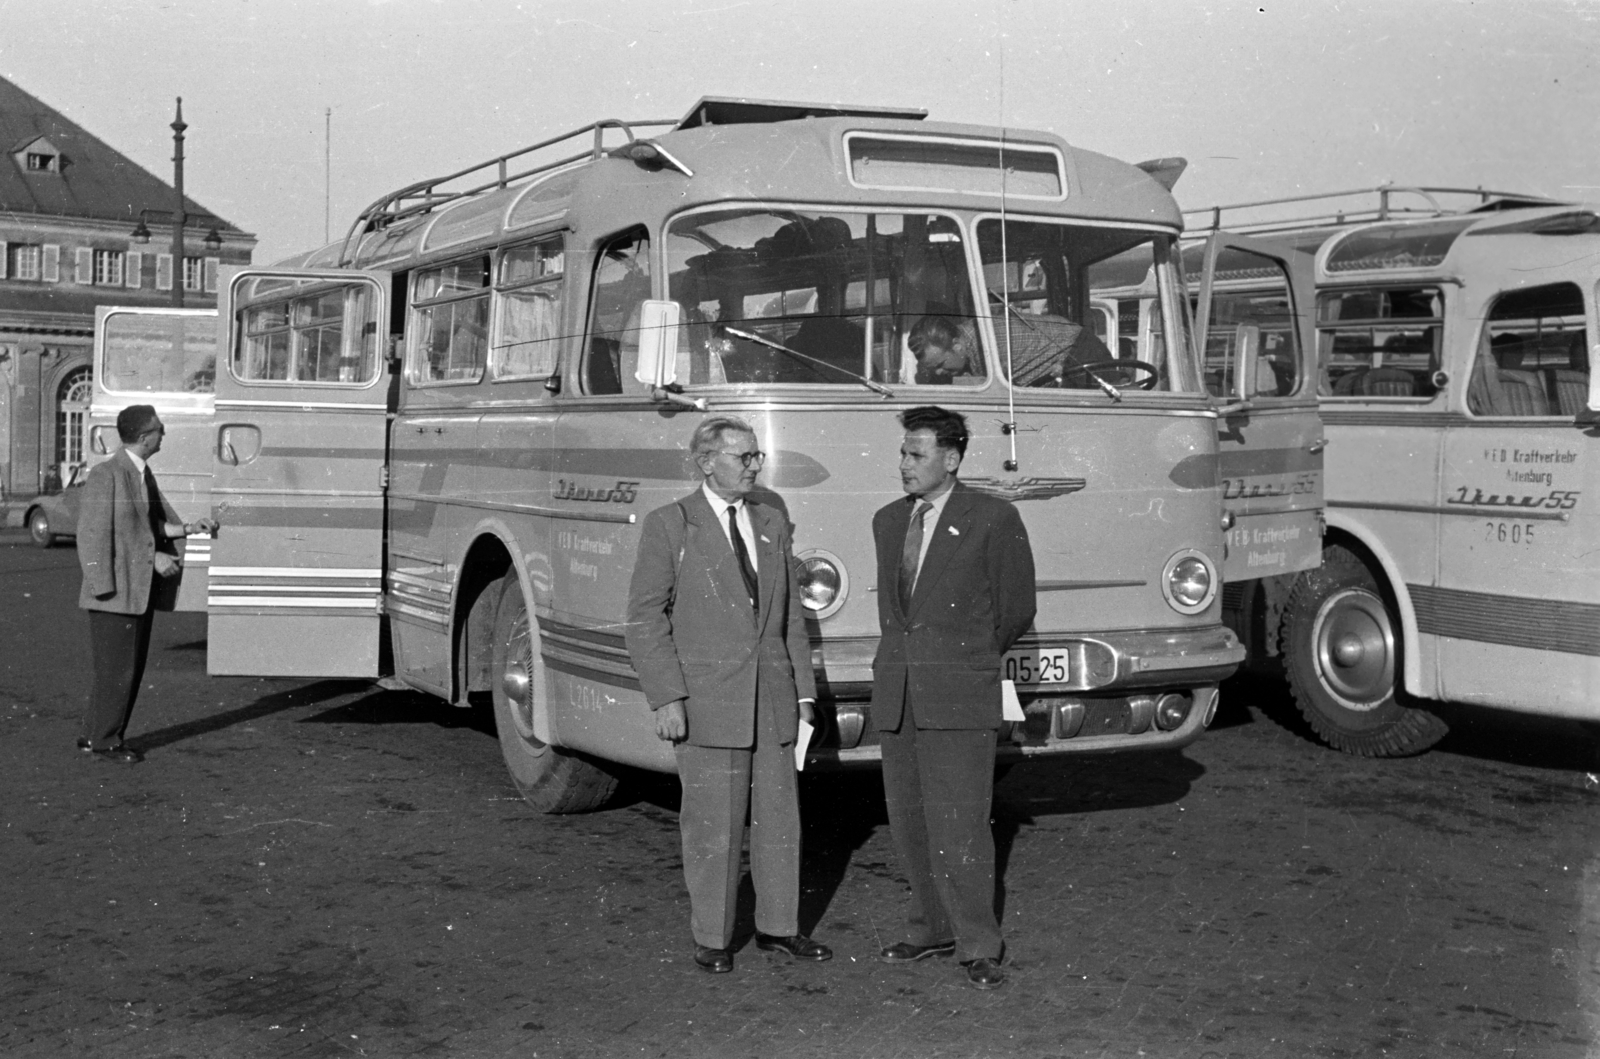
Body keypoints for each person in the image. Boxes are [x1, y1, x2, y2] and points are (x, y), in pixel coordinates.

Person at [625, 414, 831, 974]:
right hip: (706, 703)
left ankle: (778, 929)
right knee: (713, 825)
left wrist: (804, 696)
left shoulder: (771, 521)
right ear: (705, 461)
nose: (755, 466)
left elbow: (789, 619)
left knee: (779, 820)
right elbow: (644, 619)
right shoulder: (671, 525)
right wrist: (666, 698)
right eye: (743, 457)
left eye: (757, 456)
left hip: (773, 703)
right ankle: (713, 938)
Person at [869, 405, 1036, 989]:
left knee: (962, 822)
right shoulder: (888, 521)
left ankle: (977, 943)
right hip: (899, 692)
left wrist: (962, 663)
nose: (904, 465)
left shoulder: (993, 518)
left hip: (959, 693)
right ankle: (929, 928)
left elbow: (1015, 609)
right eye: (902, 454)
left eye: (916, 455)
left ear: (952, 458)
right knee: (909, 818)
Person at [76, 404, 218, 763]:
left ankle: (93, 735)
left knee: (119, 669)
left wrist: (187, 529)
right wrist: (106, 585)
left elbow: (150, 527)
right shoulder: (106, 475)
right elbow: (91, 537)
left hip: (135, 591)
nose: (163, 433)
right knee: (118, 671)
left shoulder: (141, 474)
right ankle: (106, 741)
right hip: (114, 593)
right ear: (143, 437)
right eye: (159, 429)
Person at [908, 315, 981, 385]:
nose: (938, 372)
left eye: (940, 365)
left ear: (957, 345)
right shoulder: (944, 355)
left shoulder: (982, 343)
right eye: (932, 368)